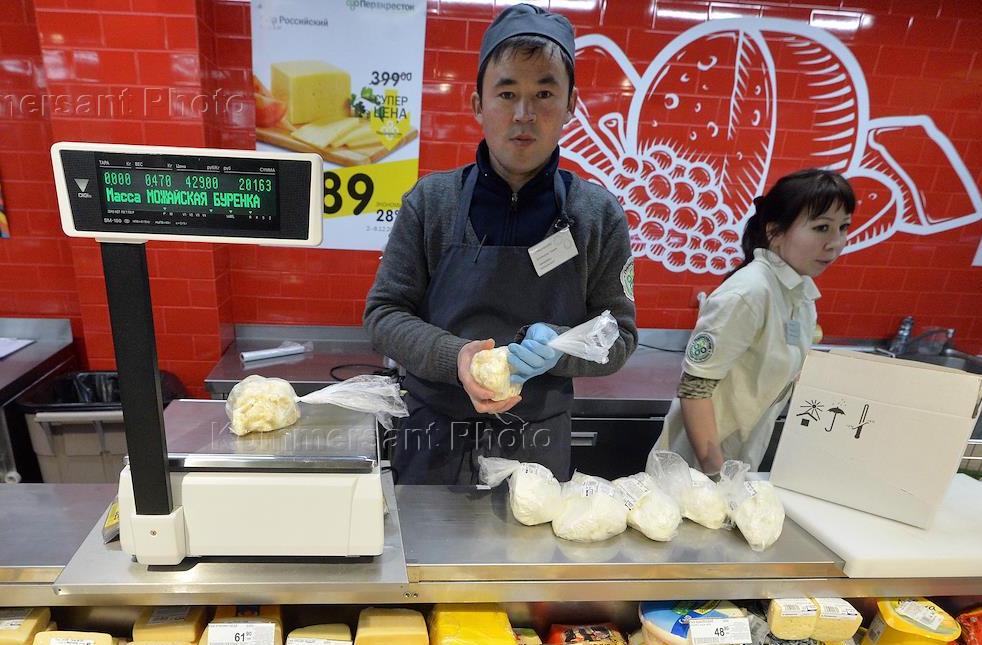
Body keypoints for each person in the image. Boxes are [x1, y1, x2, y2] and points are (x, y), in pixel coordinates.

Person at [363, 3, 637, 486]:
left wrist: (560, 346)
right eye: (507, 93)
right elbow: (384, 314)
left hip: (537, 446)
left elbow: (620, 336)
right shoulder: (432, 202)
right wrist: (457, 358)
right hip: (433, 439)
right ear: (477, 104)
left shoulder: (597, 216)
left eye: (544, 94)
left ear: (571, 104)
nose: (523, 115)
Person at [655, 169, 856, 474]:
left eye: (843, 227)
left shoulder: (799, 294)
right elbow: (695, 388)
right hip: (696, 471)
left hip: (737, 462)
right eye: (821, 228)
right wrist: (716, 475)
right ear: (775, 232)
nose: (835, 242)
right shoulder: (749, 292)